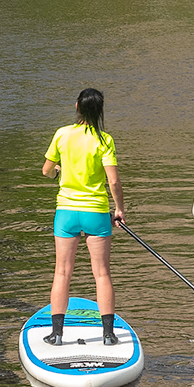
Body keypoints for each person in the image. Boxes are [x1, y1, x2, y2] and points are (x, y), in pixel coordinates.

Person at [40, 88, 128, 346]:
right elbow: (113, 181)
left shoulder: (62, 134)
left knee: (62, 273)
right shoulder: (105, 141)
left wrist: (58, 170)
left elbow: (46, 171)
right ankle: (109, 335)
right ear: (99, 111)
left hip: (66, 213)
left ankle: (56, 335)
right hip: (96, 213)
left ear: (77, 106)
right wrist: (120, 209)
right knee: (102, 274)